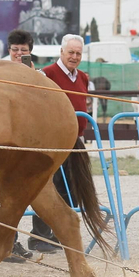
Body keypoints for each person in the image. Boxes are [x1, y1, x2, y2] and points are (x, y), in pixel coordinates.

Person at [29, 34, 92, 254]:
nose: (74, 57)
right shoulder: (47, 74)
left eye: (78, 53)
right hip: (53, 140)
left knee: (72, 188)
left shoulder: (83, 77)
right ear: (61, 52)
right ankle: (39, 237)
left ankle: (59, 234)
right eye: (71, 52)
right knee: (49, 187)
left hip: (76, 139)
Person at [0, 29, 35, 263]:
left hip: (21, 144)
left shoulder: (35, 73)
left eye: (24, 51)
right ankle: (1, 245)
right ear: (9, 50)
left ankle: (9, 243)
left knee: (13, 198)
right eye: (15, 50)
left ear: (30, 51)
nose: (19, 54)